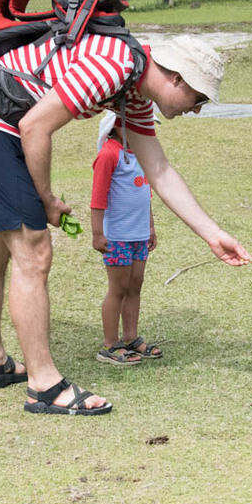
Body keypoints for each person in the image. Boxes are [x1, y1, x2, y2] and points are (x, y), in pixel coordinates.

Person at [0, 33, 250, 416]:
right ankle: (44, 385)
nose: (197, 110)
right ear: (177, 78)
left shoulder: (135, 93)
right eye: (199, 98)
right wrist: (46, 200)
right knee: (34, 252)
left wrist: (212, 234)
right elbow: (34, 127)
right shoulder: (115, 65)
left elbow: (158, 170)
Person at [90, 112, 161, 366]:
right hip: (117, 237)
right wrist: (98, 233)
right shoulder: (109, 154)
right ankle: (110, 344)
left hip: (139, 235)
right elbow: (98, 197)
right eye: (138, 126)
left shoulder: (141, 154)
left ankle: (130, 337)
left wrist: (150, 226)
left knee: (135, 286)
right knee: (118, 289)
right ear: (118, 126)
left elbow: (146, 191)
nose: (145, 131)